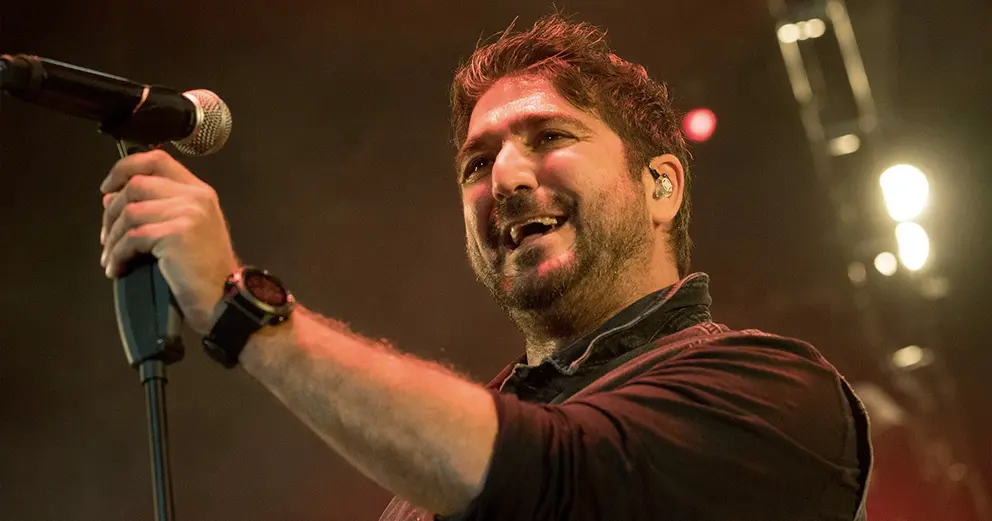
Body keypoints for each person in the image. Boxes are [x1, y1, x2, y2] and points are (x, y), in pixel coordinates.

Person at [97, 14, 872, 521]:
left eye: (549, 136)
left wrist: (246, 312)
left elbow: (555, 480)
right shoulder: (423, 485)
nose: (502, 178)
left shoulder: (773, 392)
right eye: (477, 162)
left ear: (660, 185)